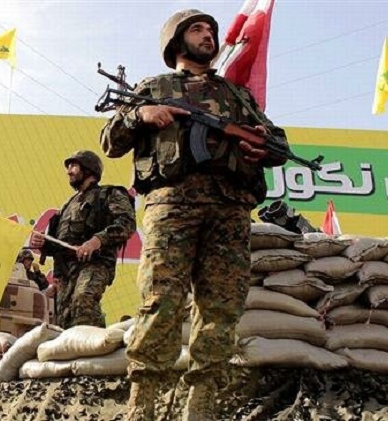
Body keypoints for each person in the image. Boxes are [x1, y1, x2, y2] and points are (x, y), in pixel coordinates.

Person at [99, 10, 290, 420]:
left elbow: (277, 143)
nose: (208, 36)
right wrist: (140, 115)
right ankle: (143, 402)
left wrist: (263, 144)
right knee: (161, 299)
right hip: (172, 205)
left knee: (222, 306)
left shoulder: (237, 95)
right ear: (176, 41)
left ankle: (201, 402)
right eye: (197, 30)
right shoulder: (154, 88)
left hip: (230, 208)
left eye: (211, 31)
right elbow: (110, 142)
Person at [29, 150, 136, 329]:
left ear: (88, 169)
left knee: (83, 300)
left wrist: (96, 241)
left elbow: (127, 223)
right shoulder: (67, 206)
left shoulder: (109, 194)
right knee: (65, 321)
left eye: (73, 166)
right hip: (66, 273)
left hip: (95, 264)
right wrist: (44, 244)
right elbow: (60, 243)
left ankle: (99, 343)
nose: (68, 171)